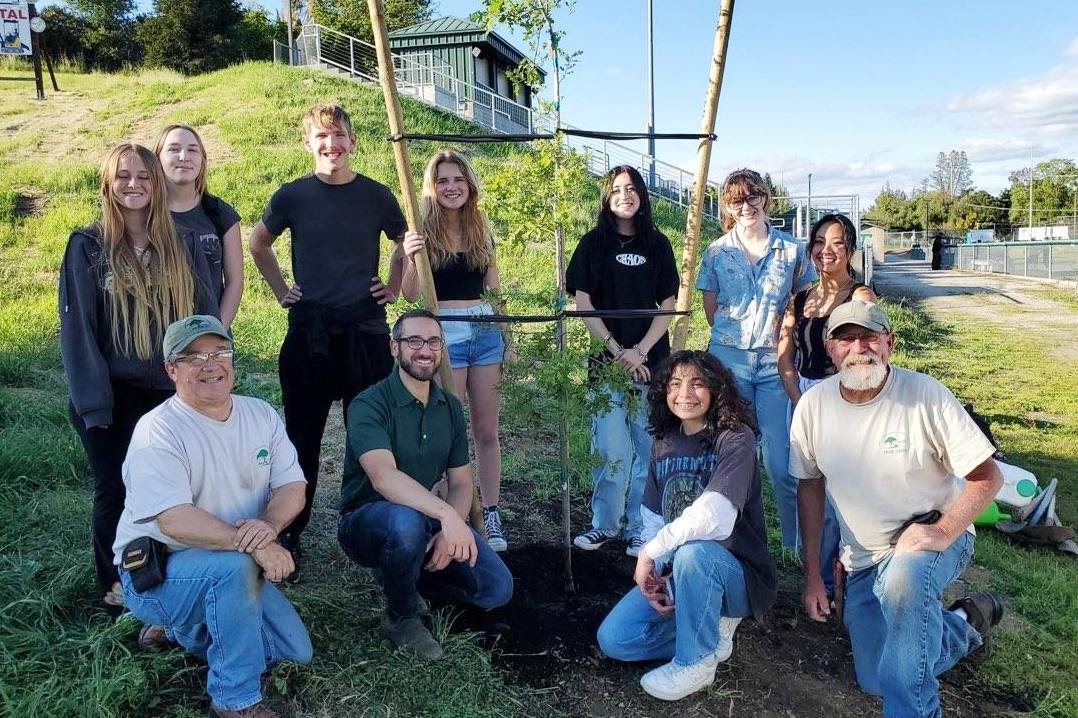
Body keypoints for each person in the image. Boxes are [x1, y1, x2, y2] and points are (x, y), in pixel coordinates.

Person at [789, 300, 1005, 718]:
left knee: (904, 582)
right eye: (846, 338)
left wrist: (943, 531)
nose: (859, 348)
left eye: (870, 336)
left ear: (889, 342)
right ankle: (964, 622)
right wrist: (814, 577)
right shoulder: (813, 406)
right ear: (830, 349)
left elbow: (988, 477)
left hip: (929, 538)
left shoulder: (925, 394)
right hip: (863, 558)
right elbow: (810, 490)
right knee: (876, 676)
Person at [114, 314, 312, 718]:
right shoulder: (159, 432)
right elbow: (174, 520)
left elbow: (294, 488)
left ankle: (184, 629)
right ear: (171, 370)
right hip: (157, 572)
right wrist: (256, 547)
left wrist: (269, 528)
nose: (210, 365)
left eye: (219, 352)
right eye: (192, 357)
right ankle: (234, 699)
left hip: (231, 559)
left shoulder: (260, 415)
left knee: (295, 650)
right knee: (235, 569)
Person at [60, 142, 218, 609]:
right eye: (123, 176)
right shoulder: (87, 246)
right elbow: (78, 330)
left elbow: (202, 316)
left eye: (144, 177)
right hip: (113, 394)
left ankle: (169, 590)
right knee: (116, 490)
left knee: (176, 493)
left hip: (169, 392)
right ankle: (117, 589)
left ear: (157, 184)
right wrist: (94, 403)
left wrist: (204, 383)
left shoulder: (182, 242)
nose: (134, 185)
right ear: (108, 183)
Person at [249, 103, 406, 567]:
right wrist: (282, 290)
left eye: (338, 135)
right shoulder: (292, 196)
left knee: (371, 436)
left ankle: (366, 524)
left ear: (353, 141)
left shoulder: (376, 196)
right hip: (310, 331)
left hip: (366, 330)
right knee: (302, 438)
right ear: (308, 143)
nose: (331, 144)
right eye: (321, 137)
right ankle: (289, 531)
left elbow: (405, 242)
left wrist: (394, 285)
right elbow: (258, 243)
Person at [597, 350, 776, 701]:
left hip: (736, 573)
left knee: (696, 553)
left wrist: (650, 551)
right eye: (675, 384)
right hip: (681, 572)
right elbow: (652, 514)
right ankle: (706, 630)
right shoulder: (664, 441)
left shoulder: (735, 437)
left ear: (716, 389)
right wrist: (657, 574)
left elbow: (717, 516)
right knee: (615, 638)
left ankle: (696, 661)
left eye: (697, 384)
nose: (685, 394)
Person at [337, 309, 513, 661]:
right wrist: (447, 515)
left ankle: (405, 572)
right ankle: (401, 618)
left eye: (434, 341)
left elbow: (462, 482)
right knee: (405, 524)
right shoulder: (369, 404)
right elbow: (383, 478)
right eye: (414, 341)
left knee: (497, 589)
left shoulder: (447, 406)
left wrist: (451, 529)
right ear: (394, 347)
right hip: (367, 521)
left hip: (429, 517)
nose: (425, 350)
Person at [398, 150, 515, 552]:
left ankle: (493, 511)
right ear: (432, 187)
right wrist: (412, 254)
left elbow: (495, 289)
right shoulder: (422, 231)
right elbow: (409, 294)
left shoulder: (480, 228)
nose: (452, 187)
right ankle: (455, 511)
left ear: (469, 185)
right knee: (451, 430)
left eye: (458, 180)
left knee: (486, 429)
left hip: (484, 330)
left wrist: (508, 338)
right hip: (446, 334)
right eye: (443, 180)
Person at [696, 168, 815, 551]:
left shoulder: (793, 251)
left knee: (781, 463)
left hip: (775, 365)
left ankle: (795, 544)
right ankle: (736, 539)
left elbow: (804, 303)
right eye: (736, 200)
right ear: (726, 206)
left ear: (764, 198)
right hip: (729, 363)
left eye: (752, 197)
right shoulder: (716, 252)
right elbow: (711, 309)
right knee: (732, 453)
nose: (746, 206)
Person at [567, 165, 679, 558]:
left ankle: (640, 528)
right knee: (611, 449)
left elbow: (667, 305)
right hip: (606, 365)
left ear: (642, 195)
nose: (624, 195)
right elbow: (584, 305)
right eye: (616, 189)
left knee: (646, 448)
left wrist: (642, 351)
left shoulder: (658, 245)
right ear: (607, 197)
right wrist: (618, 352)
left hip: (652, 364)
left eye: (631, 189)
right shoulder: (592, 245)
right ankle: (605, 525)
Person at [777, 213, 876, 591]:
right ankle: (815, 572)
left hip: (844, 398)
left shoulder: (860, 296)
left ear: (850, 250)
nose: (826, 250)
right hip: (802, 397)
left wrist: (838, 400)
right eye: (819, 241)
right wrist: (799, 398)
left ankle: (844, 575)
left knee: (839, 490)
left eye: (836, 243)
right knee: (807, 482)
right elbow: (784, 354)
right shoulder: (799, 298)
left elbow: (869, 355)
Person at [154, 124, 244, 329]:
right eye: (174, 149)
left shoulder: (220, 214)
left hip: (209, 335)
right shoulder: (145, 214)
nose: (184, 156)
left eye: (193, 150)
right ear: (157, 158)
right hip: (155, 336)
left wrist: (217, 330)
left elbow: (235, 282)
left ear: (203, 159)